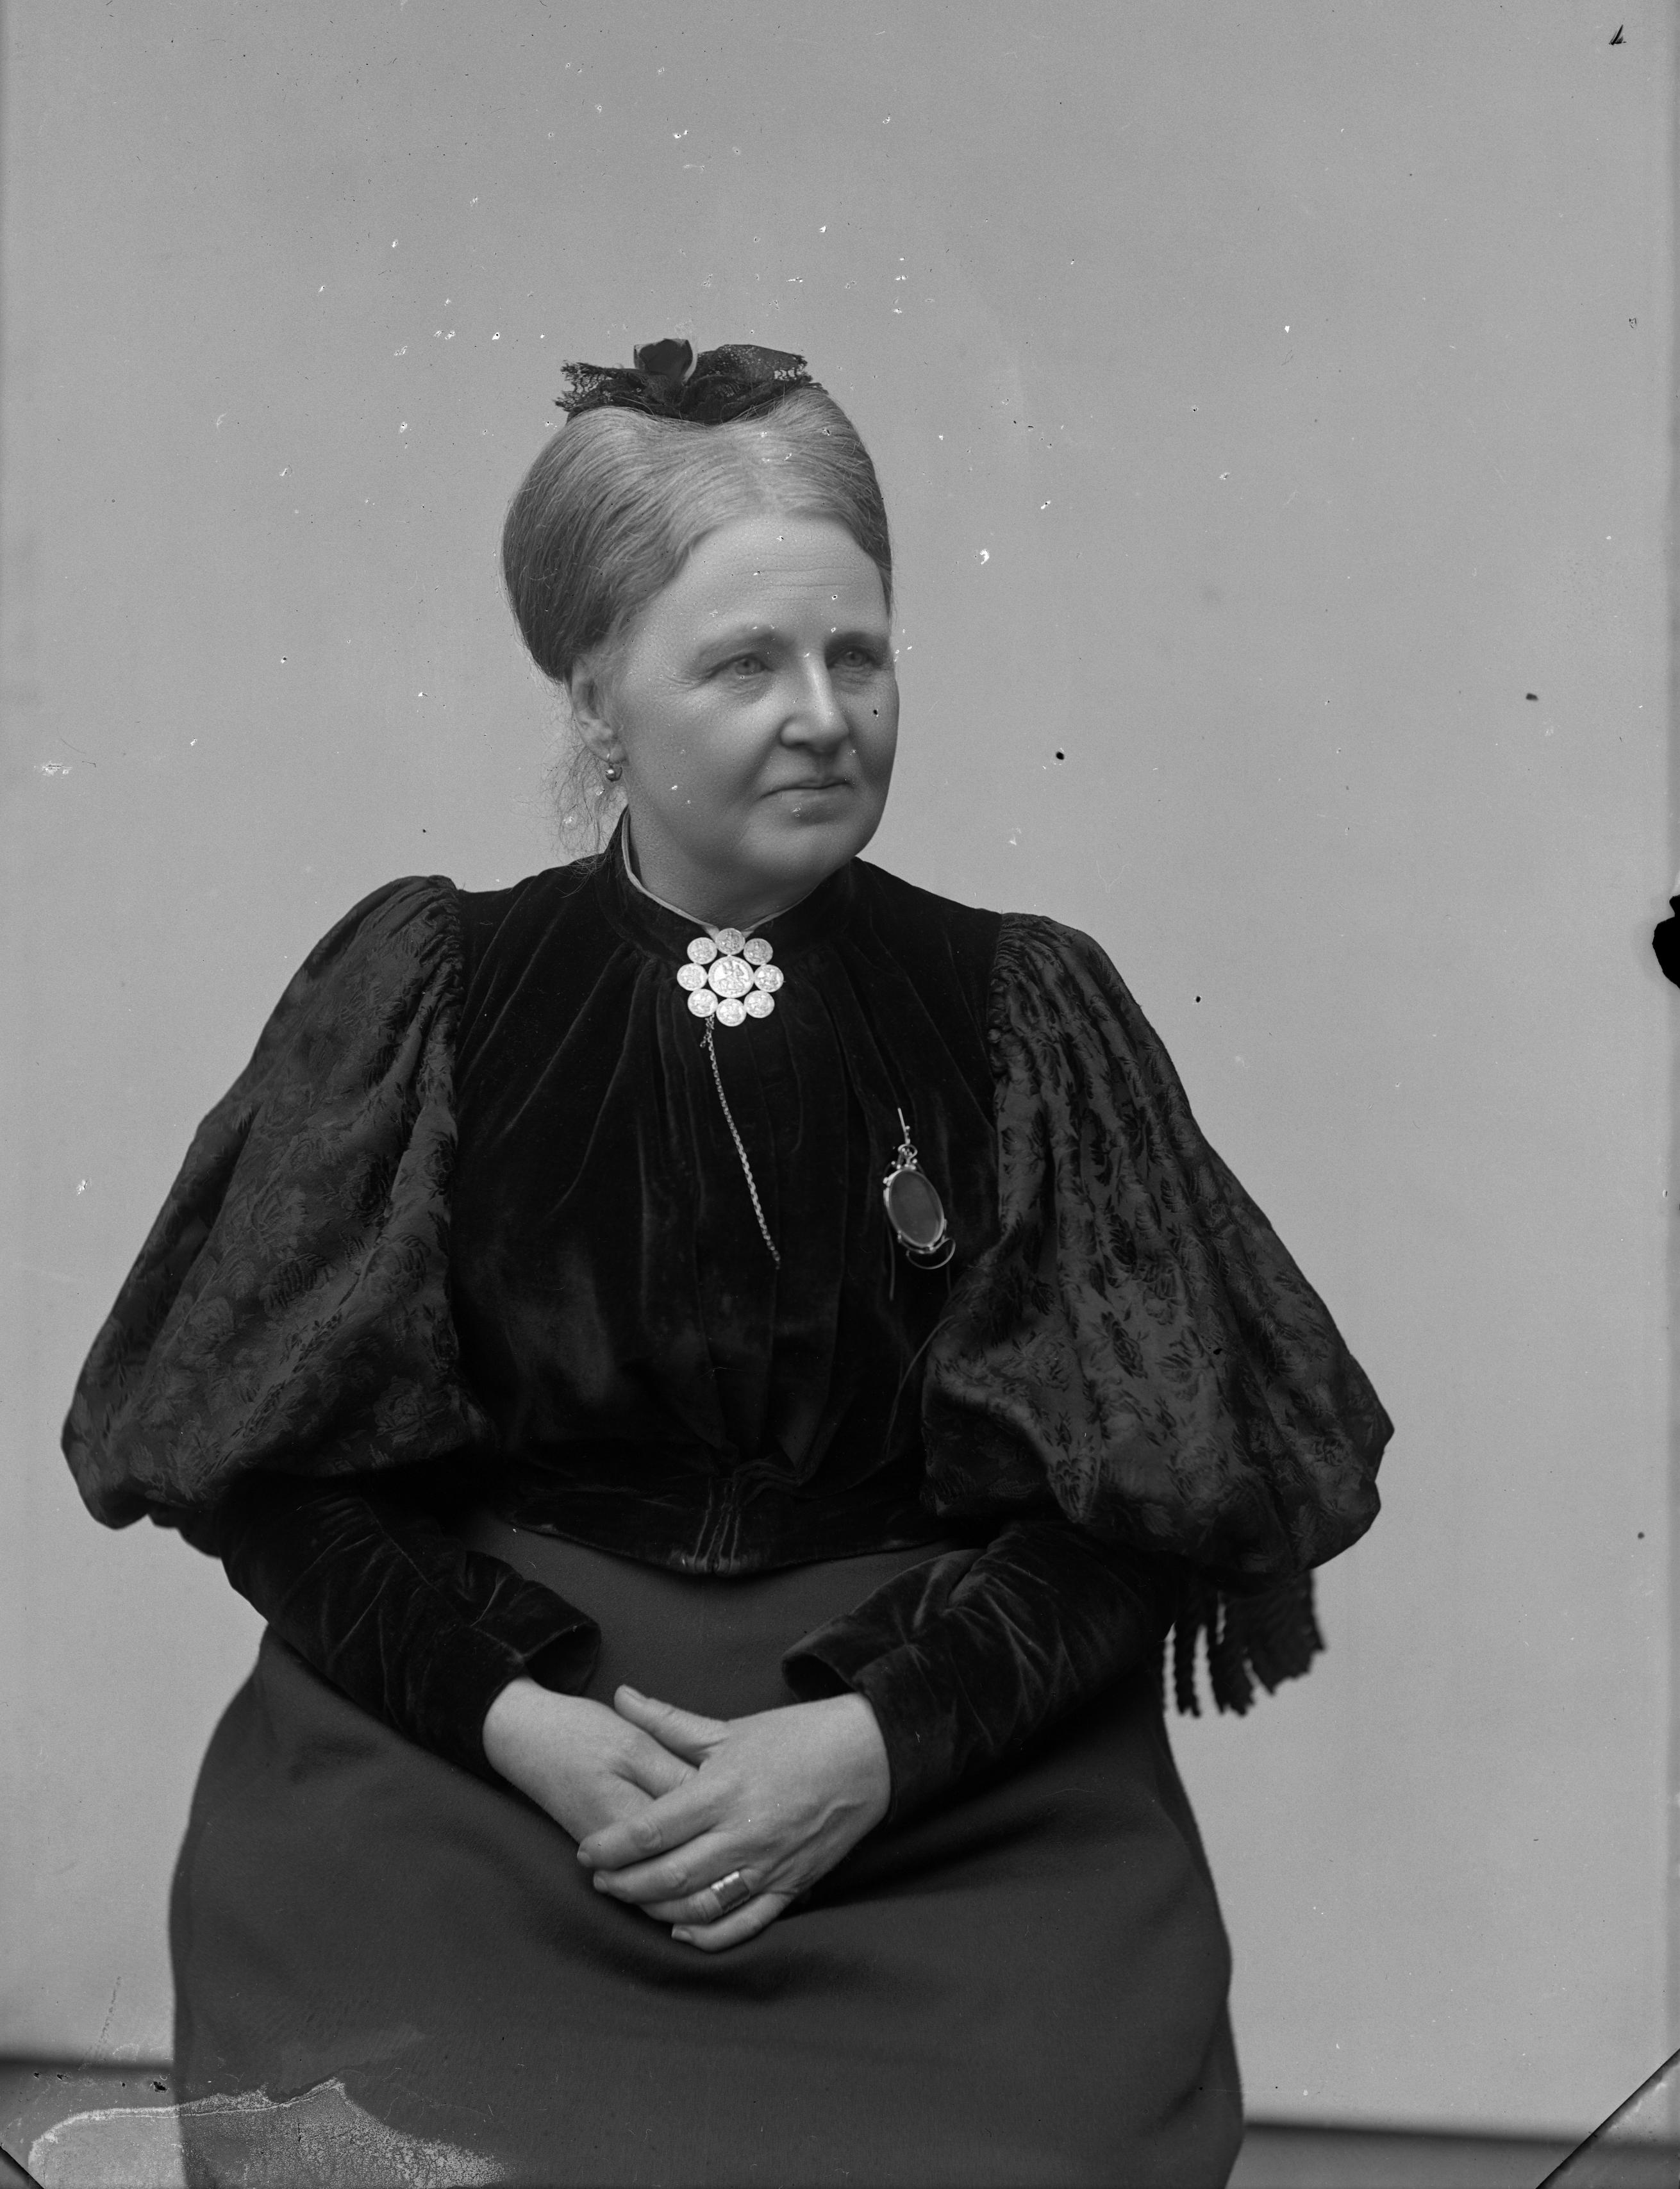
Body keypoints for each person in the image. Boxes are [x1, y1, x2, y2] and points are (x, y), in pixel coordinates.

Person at [65, 339, 1391, 2189]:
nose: (826, 716)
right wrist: (517, 1725)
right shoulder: (433, 1000)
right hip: (483, 1783)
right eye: (745, 664)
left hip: (943, 1809)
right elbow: (265, 1477)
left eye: (860, 655)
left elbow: (1158, 1497)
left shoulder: (1020, 1013)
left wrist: (881, 1741)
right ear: (595, 692)